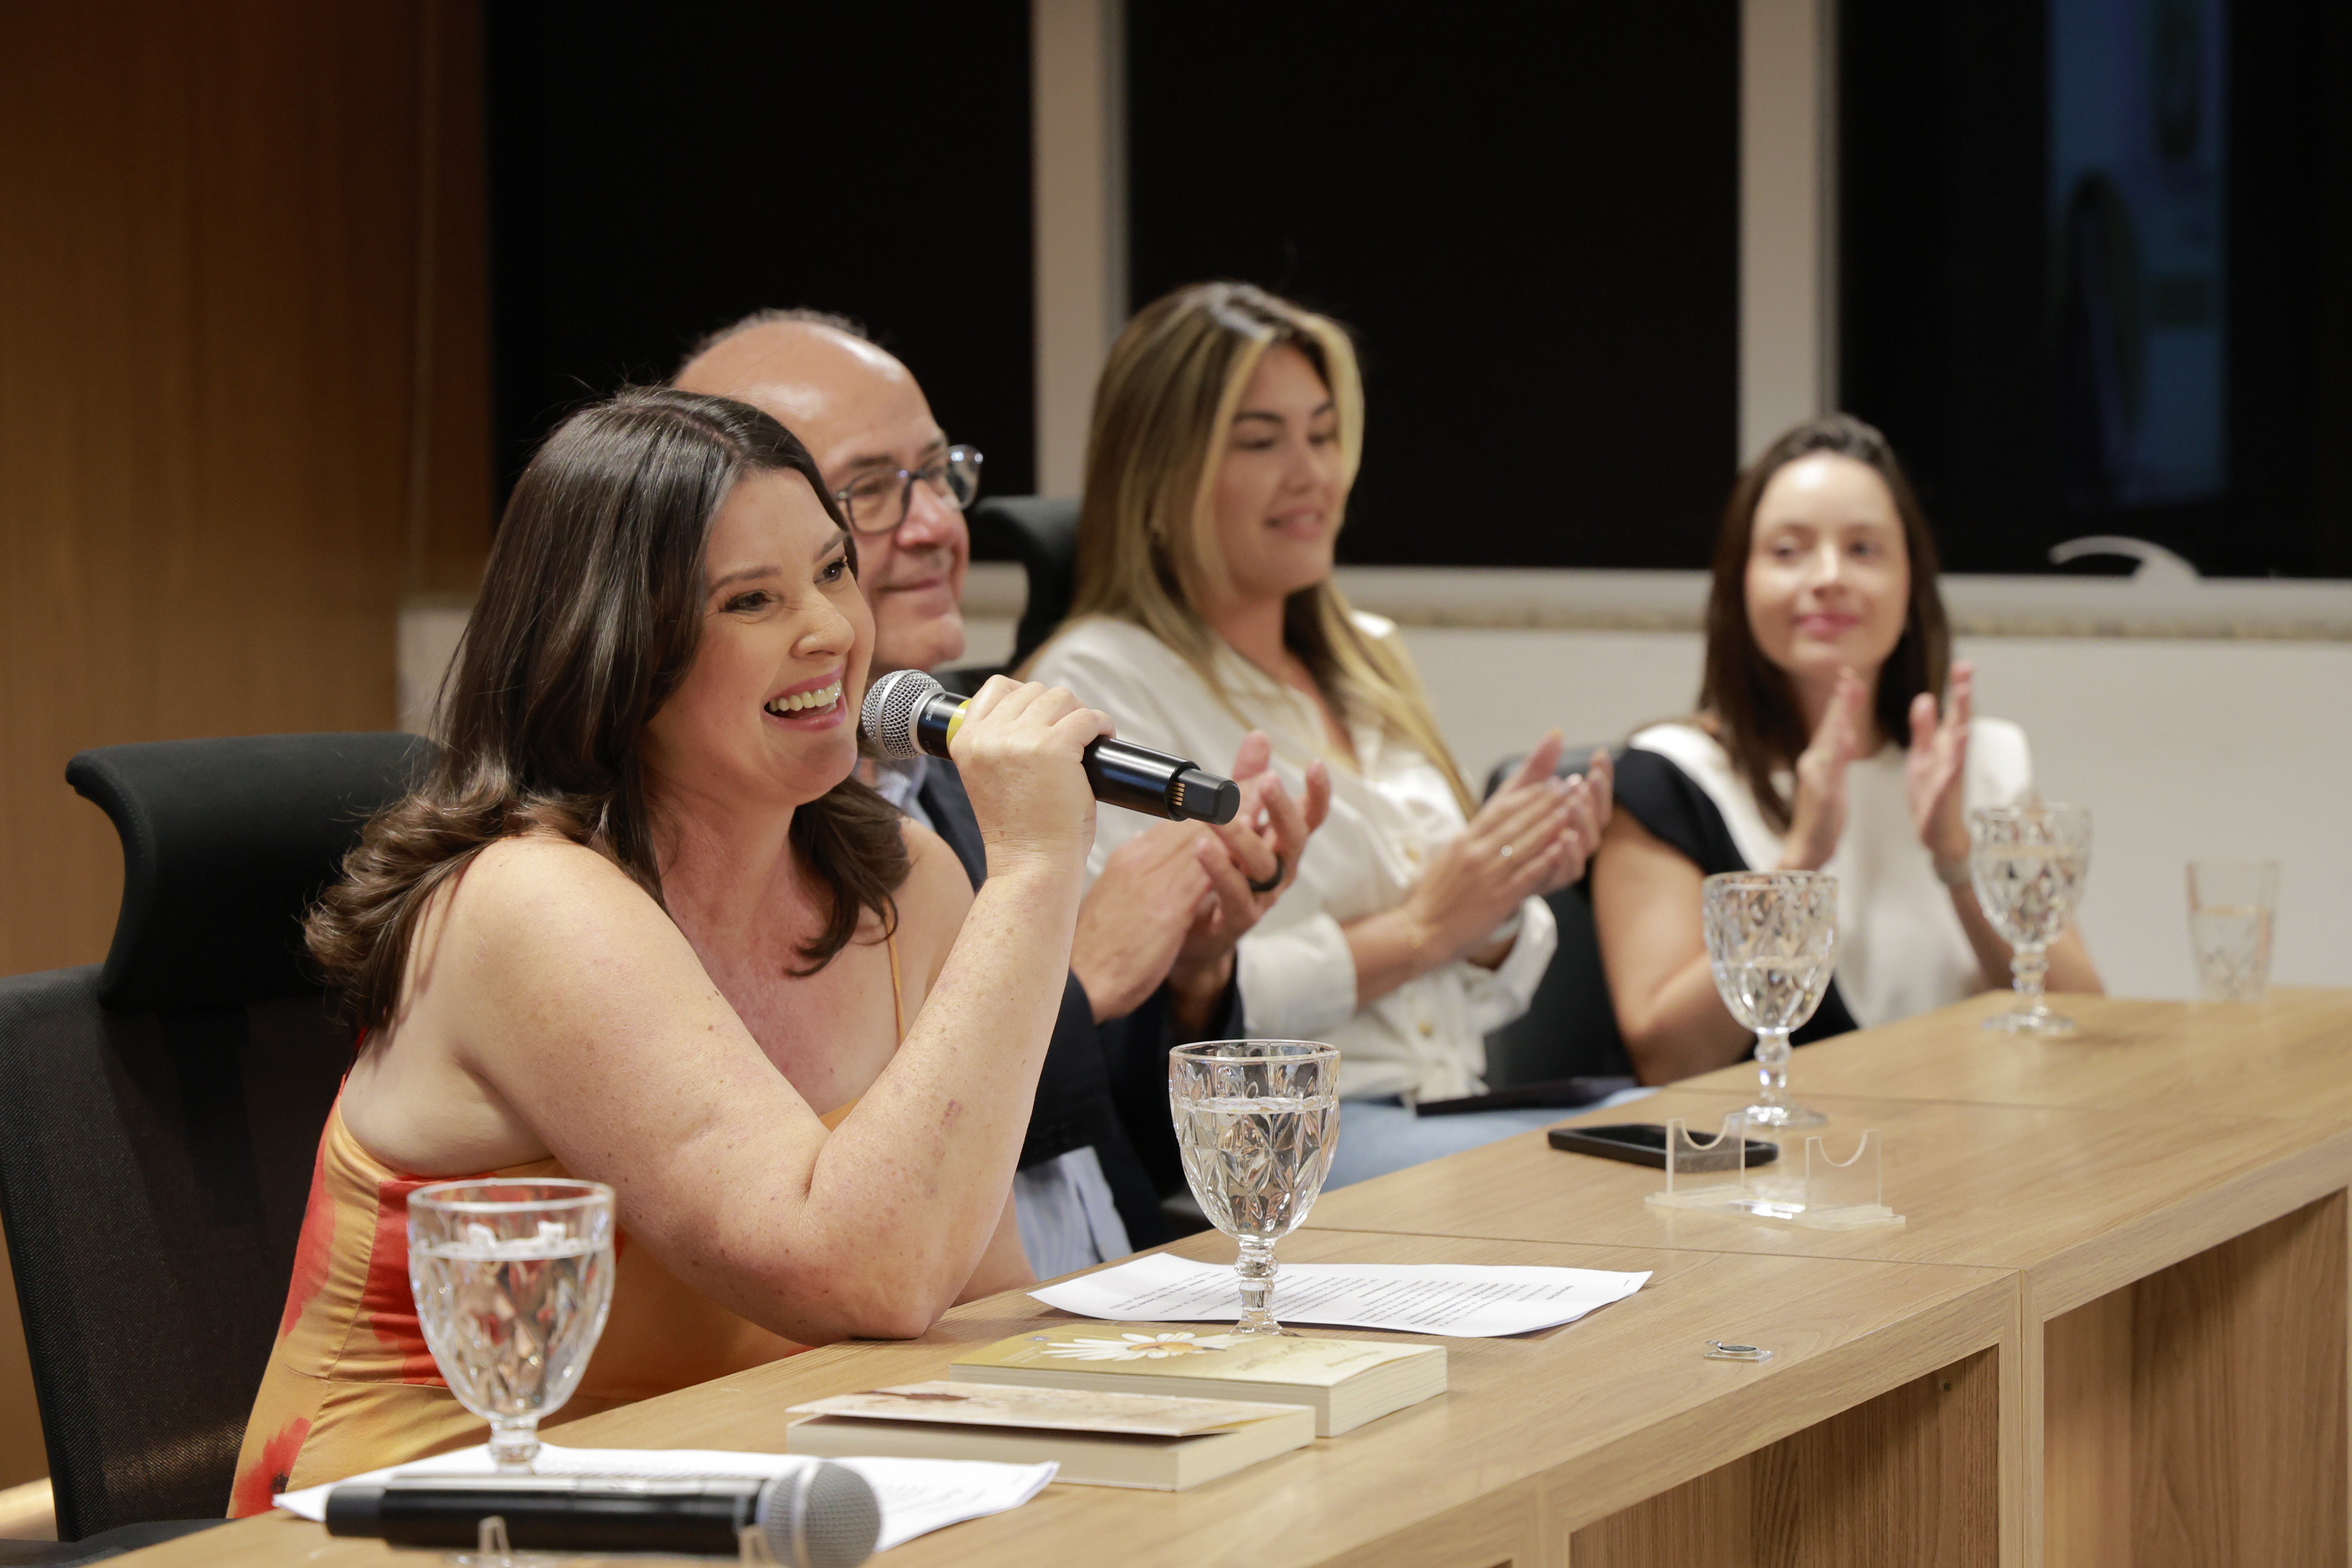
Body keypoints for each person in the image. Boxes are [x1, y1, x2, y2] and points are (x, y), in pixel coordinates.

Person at [230, 389, 1119, 1510]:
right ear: (615, 648)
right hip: (425, 1518)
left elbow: (966, 1296)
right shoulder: (528, 903)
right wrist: (1034, 866)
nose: (830, 631)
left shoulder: (905, 883)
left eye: (832, 571)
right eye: (751, 600)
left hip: (741, 1489)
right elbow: (862, 1273)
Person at [672, 311, 1324, 1268]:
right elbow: (843, 1196)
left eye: (939, 473)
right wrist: (1075, 985)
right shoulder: (713, 844)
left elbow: (1119, 1144)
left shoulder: (962, 751)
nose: (939, 524)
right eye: (870, 493)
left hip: (1116, 1289)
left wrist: (1190, 979)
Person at [1025, 282, 1612, 1190]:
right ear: (1158, 475)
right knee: (1618, 1185)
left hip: (1451, 1105)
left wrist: (1505, 885)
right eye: (1261, 442)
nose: (1314, 476)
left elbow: (1479, 984)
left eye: (1325, 435)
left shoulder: (1368, 655)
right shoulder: (1095, 688)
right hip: (1286, 1140)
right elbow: (1156, 1007)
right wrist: (1423, 929)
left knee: (1690, 1140)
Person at [1590, 414, 2103, 1086]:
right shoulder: (1667, 778)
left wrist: (1955, 855)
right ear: (1739, 582)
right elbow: (1668, 1058)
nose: (1829, 576)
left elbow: (2079, 1019)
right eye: (1788, 551)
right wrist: (1800, 861)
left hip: (1970, 1131)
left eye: (1863, 549)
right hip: (1775, 1146)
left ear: (1911, 582)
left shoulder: (1979, 761)